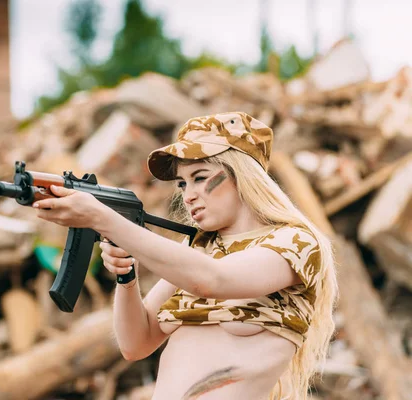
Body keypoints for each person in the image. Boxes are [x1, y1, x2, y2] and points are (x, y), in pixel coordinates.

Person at [32, 111, 338, 400]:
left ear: (243, 175)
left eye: (200, 177)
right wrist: (127, 277)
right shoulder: (196, 252)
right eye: (182, 183)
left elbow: (214, 280)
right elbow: (135, 344)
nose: (188, 195)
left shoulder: (295, 242)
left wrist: (103, 219)